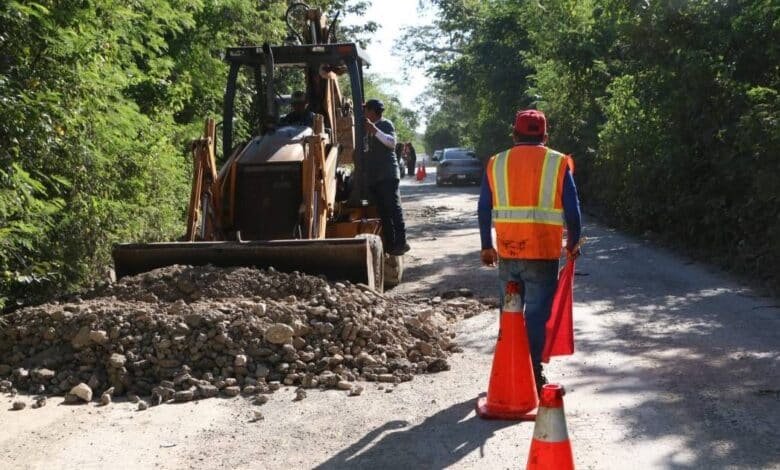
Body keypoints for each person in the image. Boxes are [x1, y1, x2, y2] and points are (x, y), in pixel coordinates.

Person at [477, 109, 582, 391]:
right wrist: (573, 244)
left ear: (514, 134)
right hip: (542, 255)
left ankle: (508, 369)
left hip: (508, 253)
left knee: (508, 313)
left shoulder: (496, 162)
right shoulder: (558, 162)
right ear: (545, 136)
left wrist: (487, 246)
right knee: (536, 314)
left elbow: (483, 206)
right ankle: (533, 371)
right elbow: (573, 211)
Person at [364, 99, 410, 256]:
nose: (364, 113)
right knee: (383, 212)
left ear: (373, 111)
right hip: (375, 177)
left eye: (366, 110)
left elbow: (391, 143)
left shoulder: (385, 124)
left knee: (393, 208)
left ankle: (402, 242)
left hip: (387, 175)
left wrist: (374, 130)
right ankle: (391, 244)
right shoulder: (368, 129)